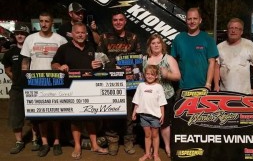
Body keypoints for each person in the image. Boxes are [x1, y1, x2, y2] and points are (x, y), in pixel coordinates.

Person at [51, 22, 108, 159]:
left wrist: (100, 63)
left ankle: (94, 145)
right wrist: (60, 67)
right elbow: (53, 63)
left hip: (90, 88)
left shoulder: (91, 46)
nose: (81, 35)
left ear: (86, 34)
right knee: (75, 120)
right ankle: (77, 145)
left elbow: (103, 60)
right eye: (78, 32)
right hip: (72, 88)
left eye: (83, 32)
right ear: (72, 34)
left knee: (91, 118)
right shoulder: (64, 48)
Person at [21, 11, 68, 157]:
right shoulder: (30, 39)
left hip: (56, 81)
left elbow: (66, 59)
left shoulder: (60, 39)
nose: (43, 24)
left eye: (47, 21)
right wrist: (25, 79)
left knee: (56, 115)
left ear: (52, 23)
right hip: (36, 81)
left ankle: (57, 142)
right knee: (41, 116)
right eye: (41, 21)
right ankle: (45, 142)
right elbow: (25, 62)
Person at [96, 10, 141, 156]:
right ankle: (112, 141)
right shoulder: (104, 37)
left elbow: (138, 60)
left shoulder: (133, 38)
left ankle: (128, 140)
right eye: (115, 20)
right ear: (112, 21)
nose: (118, 22)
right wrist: (111, 67)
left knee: (129, 113)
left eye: (121, 20)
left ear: (125, 21)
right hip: (110, 82)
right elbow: (99, 58)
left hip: (129, 83)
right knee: (111, 111)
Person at [1, 24, 40, 154]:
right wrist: (16, 80)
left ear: (27, 35)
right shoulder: (11, 52)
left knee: (34, 116)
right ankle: (19, 141)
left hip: (32, 88)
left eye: (22, 33)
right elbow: (7, 69)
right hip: (17, 89)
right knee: (15, 116)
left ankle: (35, 139)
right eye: (17, 33)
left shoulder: (33, 50)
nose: (19, 36)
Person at [142, 34, 180, 157]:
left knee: (164, 124)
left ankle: (168, 147)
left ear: (162, 44)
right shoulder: (144, 59)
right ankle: (152, 148)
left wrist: (167, 74)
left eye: (158, 42)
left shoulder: (168, 58)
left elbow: (178, 76)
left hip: (165, 97)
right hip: (149, 98)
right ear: (149, 46)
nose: (156, 45)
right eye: (153, 43)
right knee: (151, 125)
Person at [171, 7, 219, 92]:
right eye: (189, 19)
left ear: (200, 20)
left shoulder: (208, 39)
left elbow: (212, 63)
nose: (192, 21)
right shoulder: (179, 38)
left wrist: (208, 84)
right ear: (186, 21)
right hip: (183, 88)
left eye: (195, 18)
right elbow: (172, 60)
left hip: (203, 87)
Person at [214, 18, 253, 97]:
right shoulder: (219, 47)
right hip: (225, 93)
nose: (233, 31)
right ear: (227, 30)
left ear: (241, 32)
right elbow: (216, 67)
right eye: (231, 28)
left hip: (244, 93)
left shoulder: (248, 44)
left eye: (237, 28)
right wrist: (216, 84)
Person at [132, 65, 167, 161]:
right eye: (147, 74)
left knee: (155, 135)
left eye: (152, 74)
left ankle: (155, 154)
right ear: (144, 74)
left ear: (156, 76)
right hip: (143, 116)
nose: (149, 76)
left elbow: (162, 103)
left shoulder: (158, 87)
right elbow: (137, 101)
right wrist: (134, 112)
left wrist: (162, 114)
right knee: (147, 135)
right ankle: (147, 154)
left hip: (155, 116)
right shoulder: (141, 86)